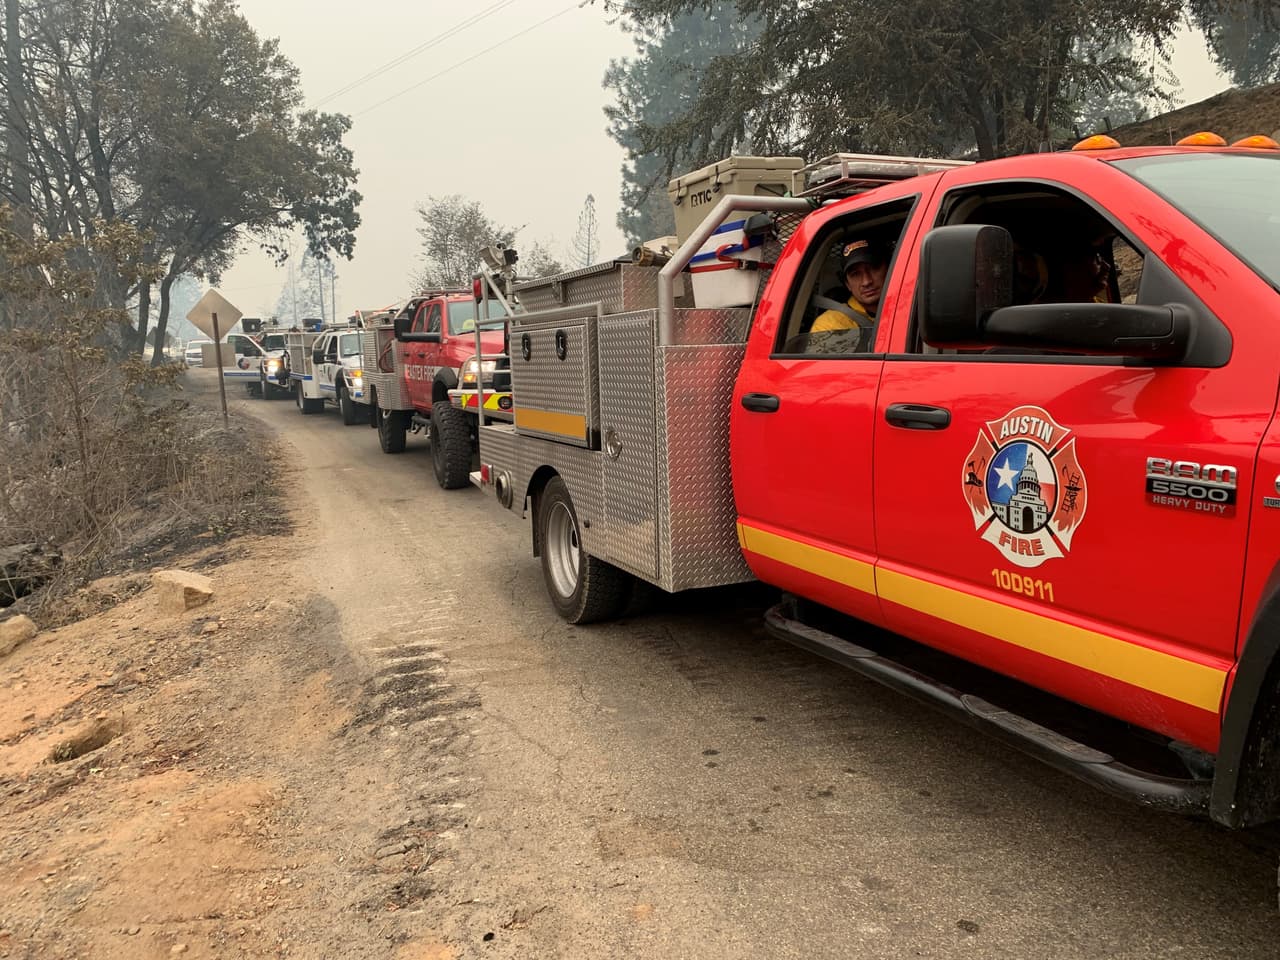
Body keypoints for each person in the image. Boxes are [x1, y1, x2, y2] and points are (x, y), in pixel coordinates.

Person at [811, 239, 889, 333]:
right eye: (856, 274)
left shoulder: (904, 309)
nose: (866, 281)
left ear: (889, 270)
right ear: (847, 284)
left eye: (873, 268)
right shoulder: (831, 324)